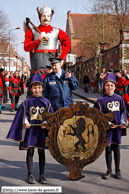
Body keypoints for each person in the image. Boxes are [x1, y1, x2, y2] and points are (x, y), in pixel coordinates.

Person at [6, 74, 54, 184]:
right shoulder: (27, 102)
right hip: (31, 131)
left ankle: (42, 175)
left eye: (39, 87)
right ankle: (30, 174)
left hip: (41, 132)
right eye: (34, 87)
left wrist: (46, 123)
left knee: (41, 153)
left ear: (42, 88)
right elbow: (23, 115)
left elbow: (51, 116)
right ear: (31, 88)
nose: (37, 90)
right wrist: (26, 122)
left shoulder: (46, 102)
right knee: (30, 152)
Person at [24, 5, 70, 96]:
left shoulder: (57, 31)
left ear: (51, 17)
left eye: (48, 16)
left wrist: (61, 58)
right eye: (43, 16)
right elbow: (26, 47)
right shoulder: (32, 31)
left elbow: (67, 44)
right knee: (37, 85)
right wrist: (38, 40)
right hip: (37, 61)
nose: (46, 18)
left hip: (52, 60)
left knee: (53, 87)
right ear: (40, 17)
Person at [94, 73, 127, 180]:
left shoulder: (119, 99)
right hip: (107, 130)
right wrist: (107, 124)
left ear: (115, 86)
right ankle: (109, 170)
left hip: (116, 129)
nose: (110, 88)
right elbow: (97, 115)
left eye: (112, 85)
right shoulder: (100, 100)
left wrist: (123, 123)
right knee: (108, 149)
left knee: (116, 149)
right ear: (104, 86)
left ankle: (118, 170)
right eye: (107, 85)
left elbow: (123, 112)